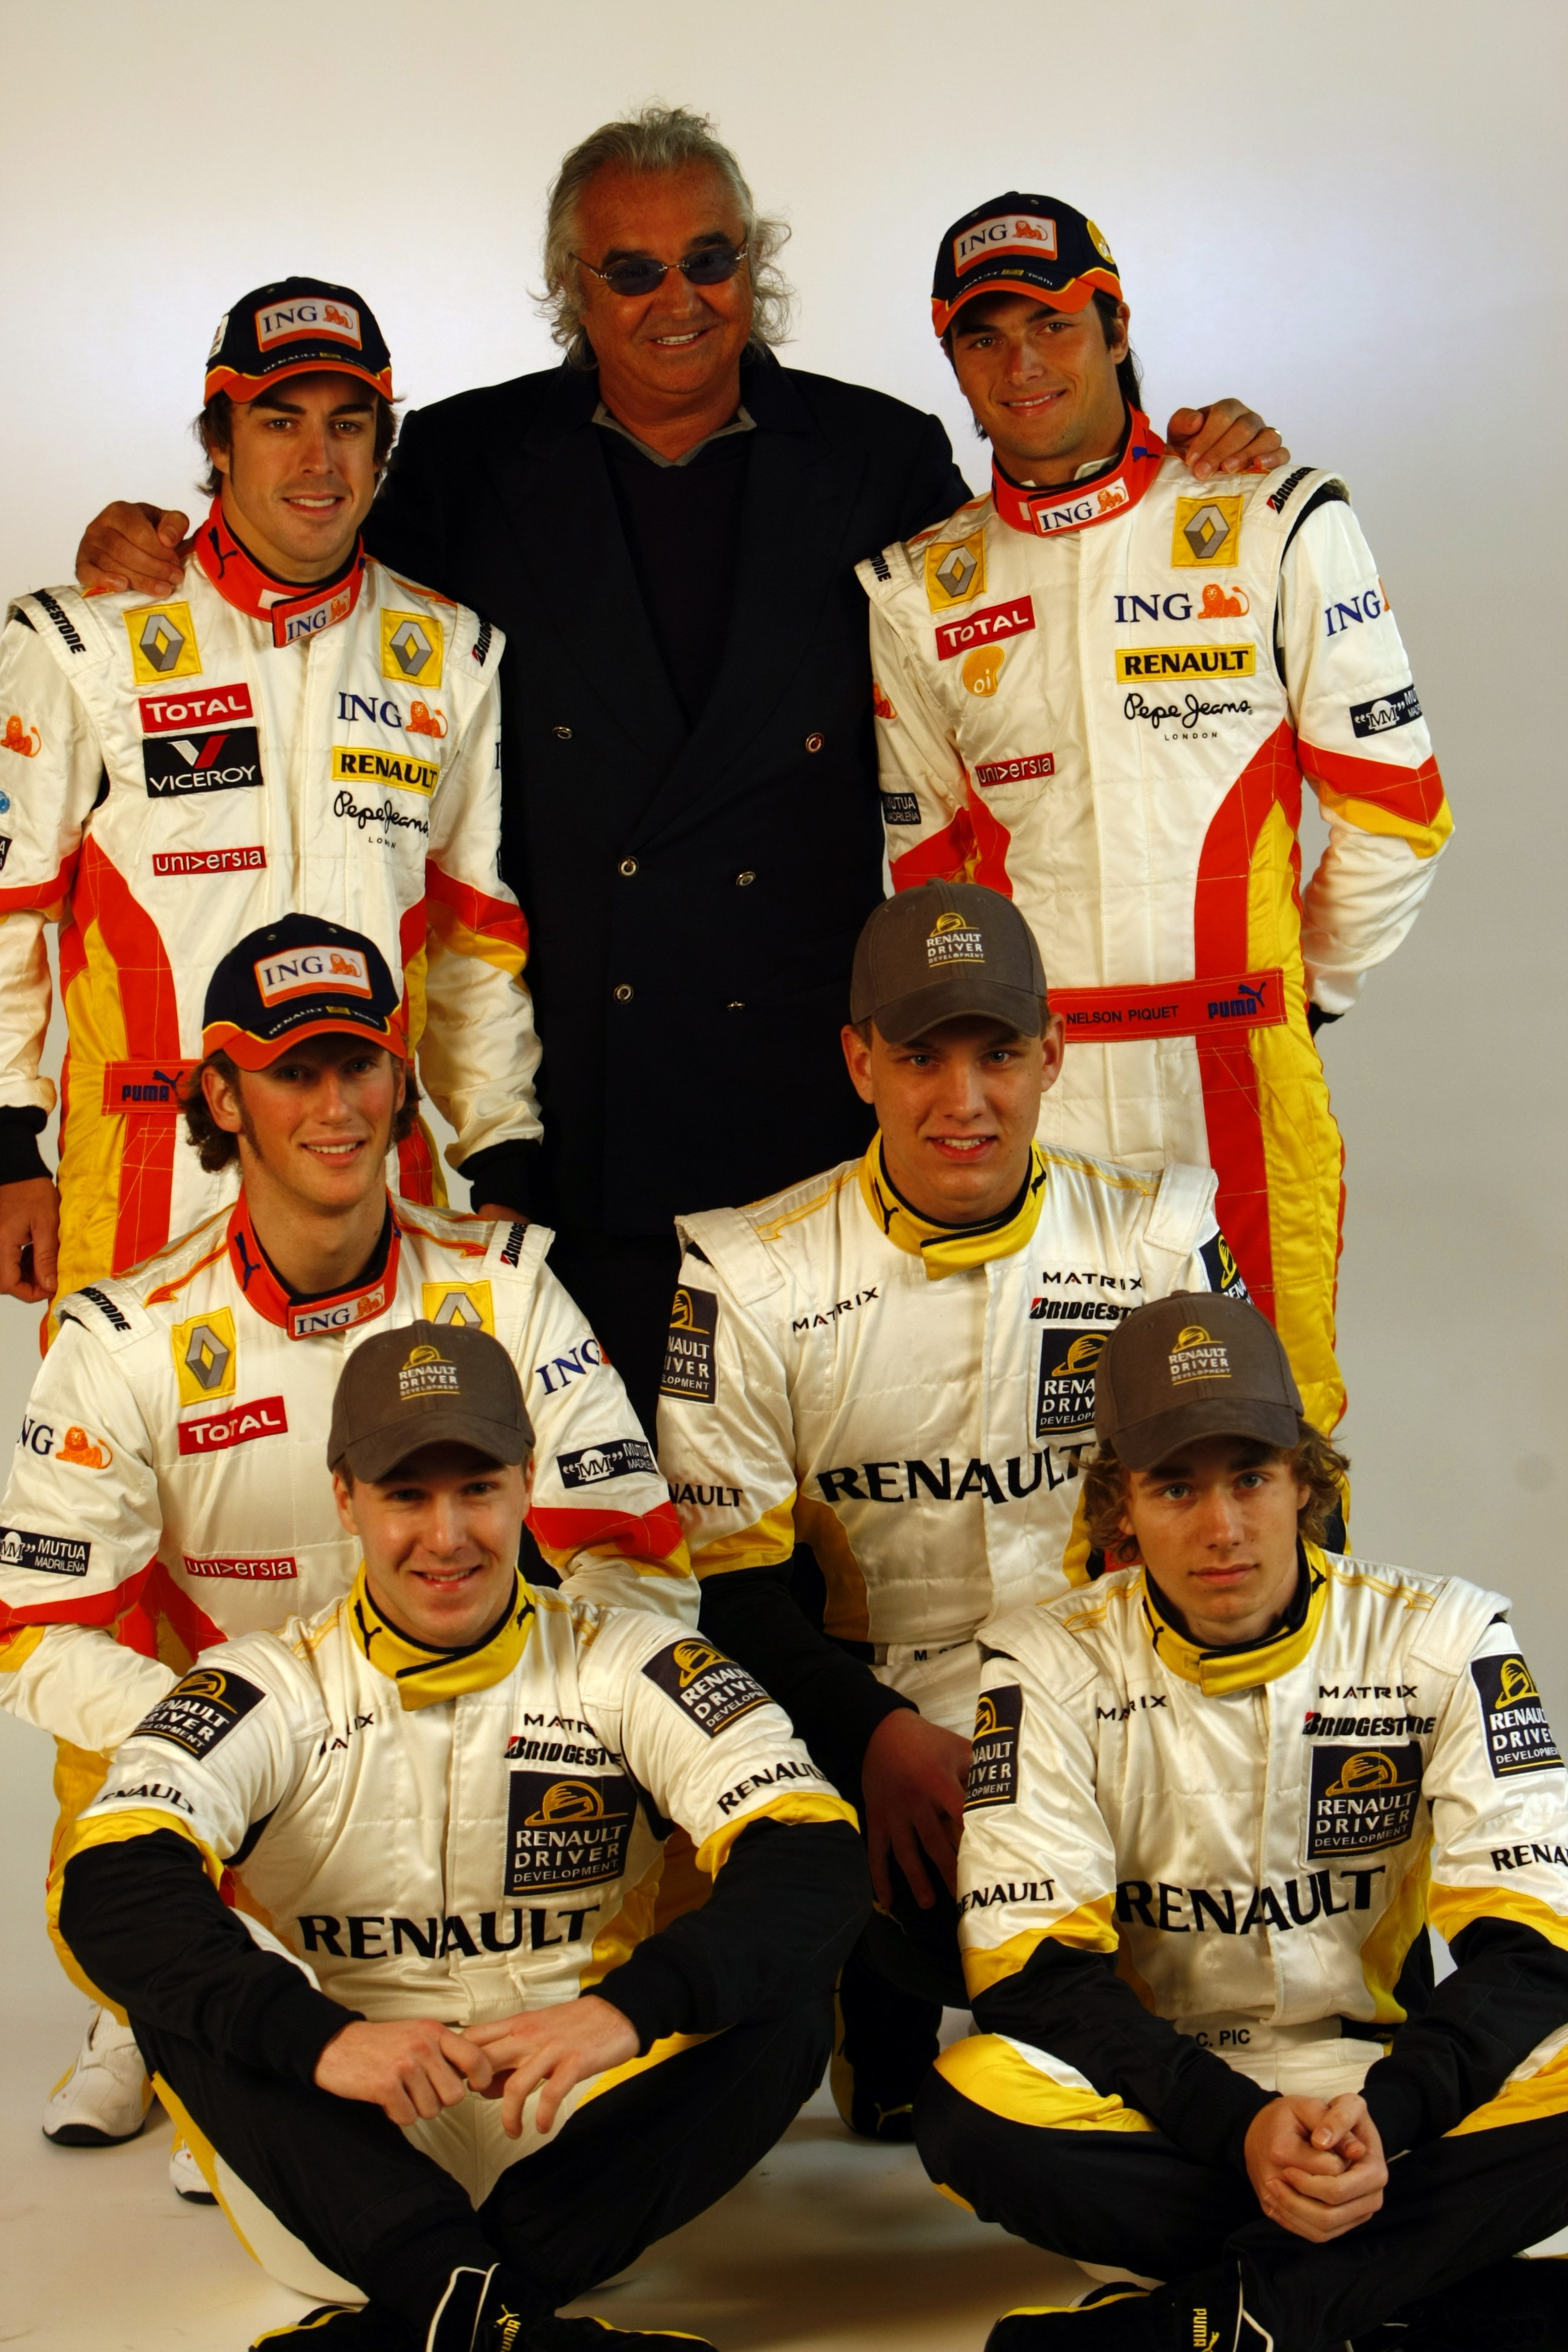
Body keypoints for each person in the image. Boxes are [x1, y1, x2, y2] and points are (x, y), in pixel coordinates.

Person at [72, 112, 1287, 1432]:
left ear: (753, 268)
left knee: (848, 1502)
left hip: (823, 1110)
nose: (678, 299)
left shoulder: (875, 455)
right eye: (633, 270)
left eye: (709, 261)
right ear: (574, 288)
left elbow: (1034, 594)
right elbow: (312, 578)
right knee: (595, 1500)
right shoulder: (467, 463)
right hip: (582, 1119)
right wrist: (155, 549)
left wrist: (1180, 468)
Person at [0, 919, 692, 2180]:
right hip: (253, 1774)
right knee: (102, 1839)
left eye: (360, 1065)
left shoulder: (508, 1284)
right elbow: (39, 1633)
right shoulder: (123, 1337)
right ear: (223, 1096)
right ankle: (218, 2024)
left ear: (399, 1076)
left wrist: (535, 1715)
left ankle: (478, 2017)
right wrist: (238, 1741)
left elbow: (633, 1560)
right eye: (294, 1073)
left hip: (484, 1733)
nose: (337, 1108)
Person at [55, 1317, 866, 2351]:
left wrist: (629, 2010)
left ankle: (442, 2301)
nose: (446, 1538)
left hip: (579, 2138)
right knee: (180, 1987)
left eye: (477, 1488)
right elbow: (113, 1889)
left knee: (791, 1987)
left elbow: (816, 1861)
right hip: (349, 2158)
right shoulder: (264, 1683)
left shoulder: (635, 1660)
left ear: (528, 1482)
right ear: (344, 1497)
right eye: (406, 1495)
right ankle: (496, 2307)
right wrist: (321, 2038)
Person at [657, 879, 1250, 2142]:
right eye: (922, 1058)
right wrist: (870, 1737)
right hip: (867, 1705)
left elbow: (1267, 1521)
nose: (964, 1101)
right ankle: (878, 1994)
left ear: (1055, 1054)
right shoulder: (748, 1274)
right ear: (858, 1062)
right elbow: (718, 1591)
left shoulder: (1159, 1244)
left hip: (1112, 1687)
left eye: (999, 1055)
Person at [860, 193, 1455, 1439]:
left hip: (1235, 1079)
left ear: (1117, 328)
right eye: (984, 338)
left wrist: (1303, 995)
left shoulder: (1273, 515)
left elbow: (1396, 808)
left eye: (1054, 325)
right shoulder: (918, 588)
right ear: (954, 363)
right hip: (1034, 1097)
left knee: (1264, 1442)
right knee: (1046, 1465)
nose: (1023, 364)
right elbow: (927, 881)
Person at [920, 1292, 1568, 2352]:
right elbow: (1034, 1974)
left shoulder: (1449, 1638)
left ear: (1307, 1479)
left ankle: (1230, 2316)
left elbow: (1537, 1944)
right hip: (1162, 2106)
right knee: (970, 2107)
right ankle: (1413, 2289)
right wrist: (1241, 2125)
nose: (1221, 1529)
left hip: (1386, 2099)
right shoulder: (1042, 1663)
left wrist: (1394, 2112)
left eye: (1252, 1478)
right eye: (1176, 1487)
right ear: (1119, 1507)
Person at [0, 275, 537, 1316]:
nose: (316, 460)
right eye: (279, 421)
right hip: (149, 1171)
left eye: (349, 425)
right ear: (219, 440)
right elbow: (10, 909)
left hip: (366, 1160)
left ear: (382, 447)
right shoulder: (82, 642)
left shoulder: (452, 655)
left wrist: (502, 1153)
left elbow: (474, 938)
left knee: (384, 1424)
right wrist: (6, 1147)